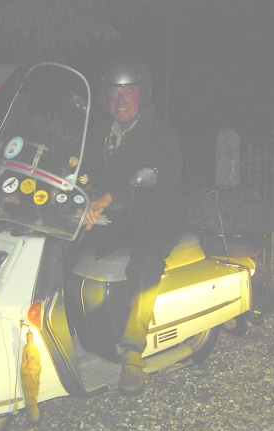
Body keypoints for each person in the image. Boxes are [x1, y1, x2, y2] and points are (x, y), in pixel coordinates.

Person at [83, 57, 184, 396]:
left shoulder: (159, 133)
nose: (121, 100)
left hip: (154, 216)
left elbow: (150, 170)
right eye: (114, 93)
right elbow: (83, 167)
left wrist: (107, 197)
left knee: (146, 258)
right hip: (118, 217)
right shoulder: (101, 134)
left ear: (144, 94)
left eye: (129, 91)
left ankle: (132, 351)